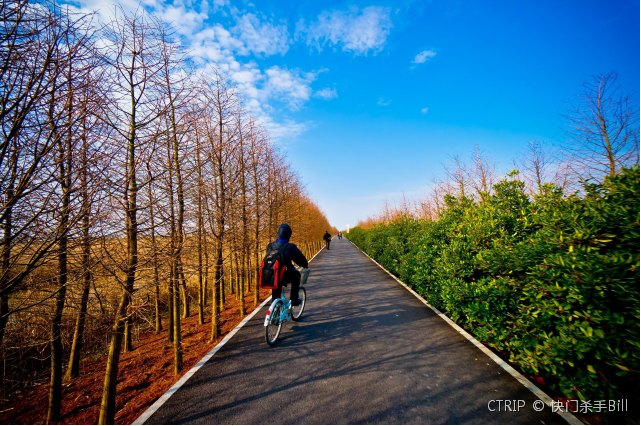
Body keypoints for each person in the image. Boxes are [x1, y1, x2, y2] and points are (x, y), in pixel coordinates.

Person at [266, 224, 308, 306]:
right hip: (283, 275)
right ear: (289, 235)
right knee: (296, 275)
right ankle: (294, 299)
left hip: (269, 275)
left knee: (276, 282)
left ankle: (274, 307)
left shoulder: (270, 246)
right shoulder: (290, 247)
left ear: (278, 233)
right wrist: (305, 265)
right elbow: (300, 260)